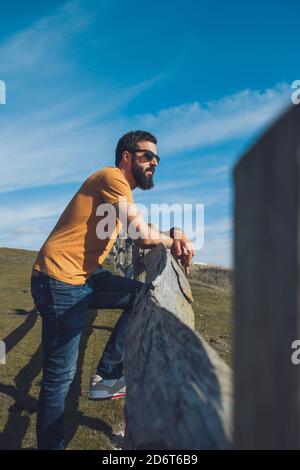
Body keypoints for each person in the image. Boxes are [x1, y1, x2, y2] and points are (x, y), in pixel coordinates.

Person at [31, 130, 195, 449]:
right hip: (58, 279)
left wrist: (171, 233)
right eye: (147, 156)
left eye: (157, 158)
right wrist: (171, 238)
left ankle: (107, 376)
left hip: (84, 276)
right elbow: (142, 236)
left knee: (142, 295)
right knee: (60, 377)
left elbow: (146, 232)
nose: (155, 163)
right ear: (126, 157)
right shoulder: (112, 178)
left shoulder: (118, 193)